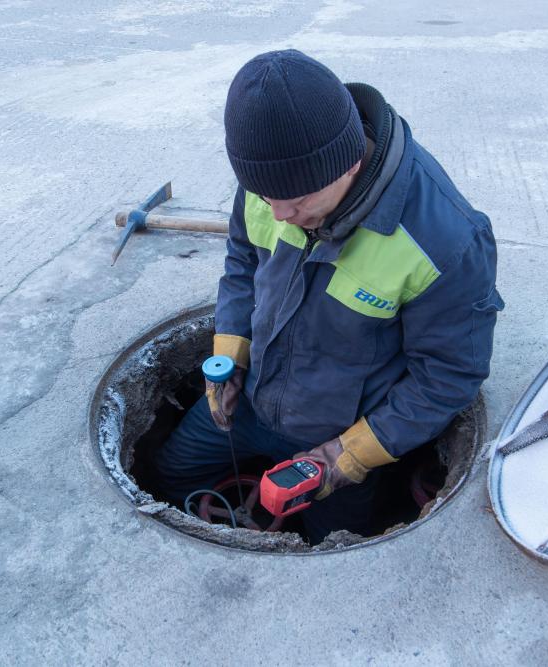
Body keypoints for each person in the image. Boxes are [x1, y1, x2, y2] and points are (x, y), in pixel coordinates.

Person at [151, 49, 503, 543]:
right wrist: (230, 354)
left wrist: (348, 456)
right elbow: (242, 263)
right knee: (171, 474)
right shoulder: (273, 180)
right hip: (250, 402)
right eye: (265, 197)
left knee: (329, 539)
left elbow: (447, 376)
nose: (278, 215)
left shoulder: (445, 242)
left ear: (348, 161)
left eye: (296, 203)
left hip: (334, 435)